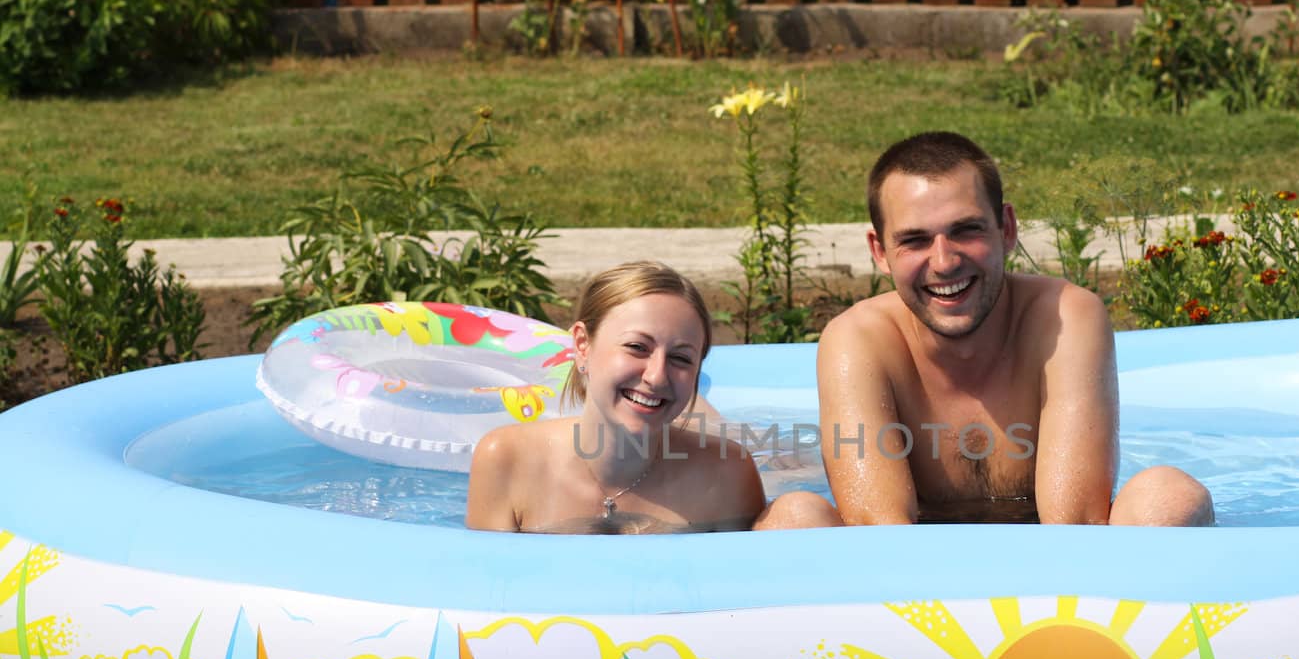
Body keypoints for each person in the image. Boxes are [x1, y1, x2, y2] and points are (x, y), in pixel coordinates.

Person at [816, 131, 1214, 527]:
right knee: (796, 516)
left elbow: (1074, 526)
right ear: (880, 252)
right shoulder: (860, 341)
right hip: (918, 578)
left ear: (1006, 229)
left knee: (1167, 497)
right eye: (915, 240)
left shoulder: (1062, 319)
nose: (944, 262)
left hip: (1057, 574)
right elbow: (880, 535)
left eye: (966, 230)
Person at [467, 261, 834, 533]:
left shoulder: (724, 476)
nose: (656, 375)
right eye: (637, 347)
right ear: (582, 345)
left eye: (680, 358)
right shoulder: (507, 461)